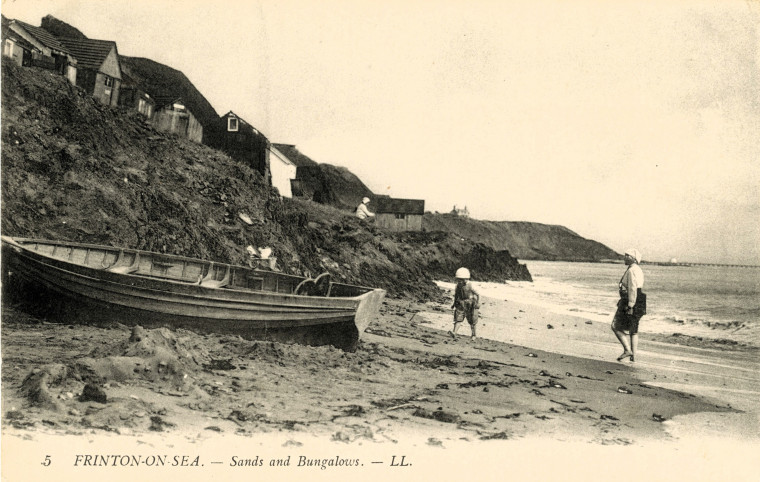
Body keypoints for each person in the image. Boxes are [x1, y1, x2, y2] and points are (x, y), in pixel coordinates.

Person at [611, 248, 646, 362]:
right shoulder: (637, 269)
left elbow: (632, 288)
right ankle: (634, 357)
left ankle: (627, 350)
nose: (624, 257)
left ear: (633, 259)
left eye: (627, 255)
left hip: (630, 299)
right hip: (639, 299)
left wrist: (630, 305)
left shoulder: (631, 271)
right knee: (633, 329)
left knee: (615, 326)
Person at [450, 267, 480, 339]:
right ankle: (454, 332)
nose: (459, 282)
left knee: (472, 319)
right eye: (458, 280)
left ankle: (473, 335)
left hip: (470, 304)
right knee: (458, 318)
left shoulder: (471, 286)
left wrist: (477, 303)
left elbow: (477, 294)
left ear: (466, 279)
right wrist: (454, 303)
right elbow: (457, 294)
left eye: (460, 280)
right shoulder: (457, 286)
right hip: (460, 303)